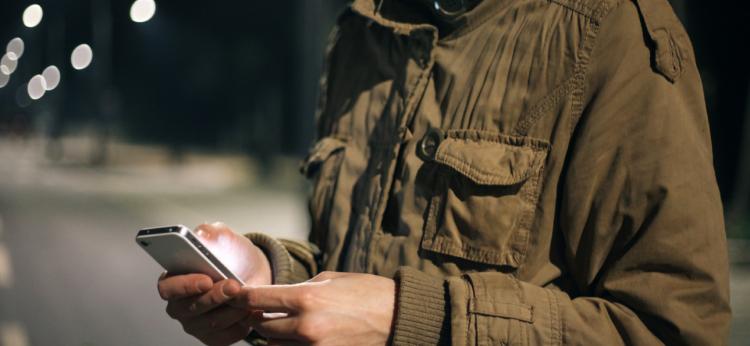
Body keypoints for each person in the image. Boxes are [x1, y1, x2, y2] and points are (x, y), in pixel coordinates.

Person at [156, 0, 731, 344]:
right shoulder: (363, 29)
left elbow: (674, 330)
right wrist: (268, 278)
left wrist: (415, 321)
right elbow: (355, 262)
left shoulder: (611, 31)